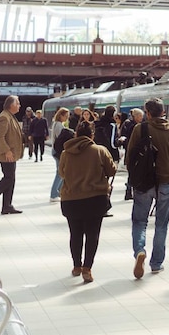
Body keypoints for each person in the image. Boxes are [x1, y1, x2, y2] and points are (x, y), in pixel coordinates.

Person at [126, 98, 169, 278]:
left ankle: (140, 251)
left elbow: (130, 157)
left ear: (148, 113)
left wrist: (134, 179)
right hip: (165, 182)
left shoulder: (140, 129)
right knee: (161, 224)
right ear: (163, 112)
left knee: (140, 221)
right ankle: (156, 263)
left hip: (144, 183)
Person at [58, 119, 116, 284]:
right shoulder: (99, 150)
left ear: (76, 134)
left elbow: (62, 173)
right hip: (95, 199)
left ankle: (76, 266)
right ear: (92, 134)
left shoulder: (65, 153)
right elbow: (111, 170)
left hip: (71, 199)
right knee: (92, 235)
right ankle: (87, 269)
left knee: (75, 234)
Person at [0, 95, 24, 214]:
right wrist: (7, 150)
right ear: (11, 105)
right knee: (8, 178)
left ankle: (7, 206)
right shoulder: (4, 117)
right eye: (18, 103)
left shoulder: (10, 116)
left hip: (11, 154)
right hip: (6, 155)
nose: (19, 106)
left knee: (11, 179)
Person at [119, 108, 143, 200]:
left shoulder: (127, 123)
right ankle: (130, 191)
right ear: (136, 116)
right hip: (134, 151)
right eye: (140, 116)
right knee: (133, 172)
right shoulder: (134, 125)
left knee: (131, 172)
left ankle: (129, 191)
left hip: (129, 150)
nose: (141, 118)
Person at [50, 107, 72, 202]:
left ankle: (58, 192)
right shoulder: (58, 125)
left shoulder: (57, 124)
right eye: (65, 116)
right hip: (58, 151)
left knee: (62, 172)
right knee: (60, 173)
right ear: (61, 115)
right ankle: (54, 194)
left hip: (56, 151)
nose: (67, 118)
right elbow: (61, 140)